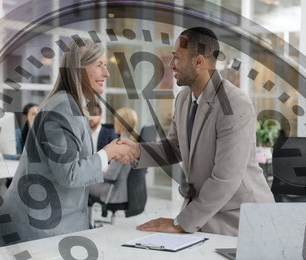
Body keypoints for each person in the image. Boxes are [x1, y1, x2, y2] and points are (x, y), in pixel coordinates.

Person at [117, 27, 275, 236]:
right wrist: (136, 151)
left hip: (241, 219)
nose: (171, 64)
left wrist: (179, 223)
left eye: (176, 57)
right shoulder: (183, 99)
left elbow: (226, 178)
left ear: (198, 61)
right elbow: (174, 147)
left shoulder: (234, 103)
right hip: (207, 214)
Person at [0, 38, 136, 246]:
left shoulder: (71, 106)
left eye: (106, 65)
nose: (106, 73)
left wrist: (106, 156)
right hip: (34, 230)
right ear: (79, 69)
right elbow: (69, 173)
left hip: (48, 224)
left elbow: (71, 165)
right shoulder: (61, 109)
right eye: (99, 65)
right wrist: (106, 154)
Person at [89, 107, 138, 204]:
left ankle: (87, 218)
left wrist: (93, 171)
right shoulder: (132, 141)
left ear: (120, 124)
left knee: (83, 185)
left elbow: (111, 175)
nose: (114, 123)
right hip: (124, 190)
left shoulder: (122, 144)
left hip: (114, 192)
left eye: (115, 121)